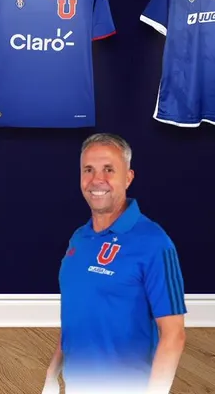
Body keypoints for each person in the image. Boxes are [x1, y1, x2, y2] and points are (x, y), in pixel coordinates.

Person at [43, 133, 187, 394]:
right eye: (88, 170)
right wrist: (52, 374)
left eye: (109, 169)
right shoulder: (79, 238)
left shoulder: (155, 243)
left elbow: (174, 335)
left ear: (128, 178)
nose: (97, 179)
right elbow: (77, 315)